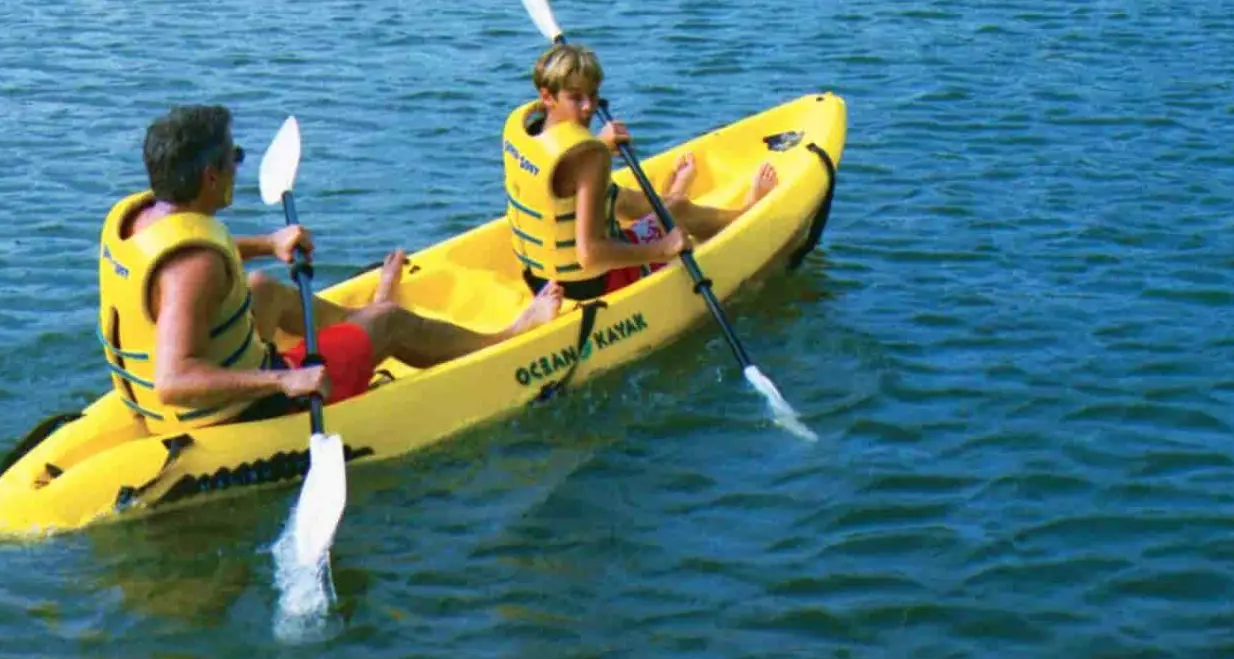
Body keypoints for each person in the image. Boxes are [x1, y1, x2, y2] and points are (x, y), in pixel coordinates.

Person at [100, 104, 560, 433]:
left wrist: (269, 243)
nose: (239, 166)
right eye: (234, 156)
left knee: (262, 288)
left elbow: (189, 258)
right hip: (233, 413)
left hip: (166, 403)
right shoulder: (196, 269)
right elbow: (173, 381)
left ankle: (361, 325)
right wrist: (286, 379)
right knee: (391, 321)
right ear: (211, 176)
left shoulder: (142, 218)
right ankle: (507, 336)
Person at [503, 44, 777, 301]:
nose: (589, 107)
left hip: (540, 279)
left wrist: (600, 144)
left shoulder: (528, 130)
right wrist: (663, 249)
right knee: (678, 212)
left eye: (593, 94)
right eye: (576, 97)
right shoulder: (589, 159)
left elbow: (565, 179)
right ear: (547, 96)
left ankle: (672, 197)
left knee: (619, 198)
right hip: (592, 284)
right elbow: (591, 255)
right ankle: (745, 214)